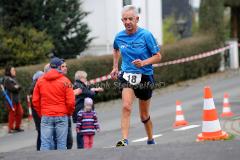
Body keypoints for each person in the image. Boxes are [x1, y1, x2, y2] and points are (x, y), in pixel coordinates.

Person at [110, 5, 162, 147]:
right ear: (122, 20)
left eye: (130, 19)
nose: (127, 22)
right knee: (126, 106)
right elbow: (115, 49)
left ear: (137, 19)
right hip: (127, 74)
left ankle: (150, 138)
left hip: (145, 76)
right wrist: (115, 67)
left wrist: (143, 63)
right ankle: (124, 140)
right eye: (124, 19)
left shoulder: (146, 35)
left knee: (143, 116)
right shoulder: (119, 37)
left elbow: (158, 56)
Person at [32, 57, 75, 150]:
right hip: (62, 115)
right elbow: (71, 101)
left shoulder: (40, 81)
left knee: (45, 144)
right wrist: (69, 113)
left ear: (50, 66)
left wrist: (41, 113)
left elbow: (35, 101)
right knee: (62, 144)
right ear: (60, 67)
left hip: (46, 115)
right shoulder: (66, 81)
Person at [73, 70, 103, 149]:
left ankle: (84, 147)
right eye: (85, 78)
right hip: (80, 110)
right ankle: (81, 147)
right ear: (81, 78)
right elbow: (88, 93)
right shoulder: (78, 85)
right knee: (81, 130)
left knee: (84, 129)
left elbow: (89, 92)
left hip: (82, 111)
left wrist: (94, 91)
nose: (86, 79)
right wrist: (94, 91)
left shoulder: (81, 85)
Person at [3, 65, 24, 133]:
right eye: (13, 70)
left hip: (16, 99)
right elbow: (12, 88)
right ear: (9, 71)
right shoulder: (7, 79)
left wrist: (17, 87)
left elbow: (19, 87)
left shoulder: (13, 78)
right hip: (11, 100)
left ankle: (17, 127)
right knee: (12, 114)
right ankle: (10, 128)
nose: (14, 71)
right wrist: (16, 87)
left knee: (20, 113)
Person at [29, 70, 44, 151]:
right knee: (41, 132)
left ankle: (39, 149)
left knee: (40, 132)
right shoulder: (36, 86)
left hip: (37, 112)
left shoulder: (34, 85)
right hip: (37, 112)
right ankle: (39, 150)